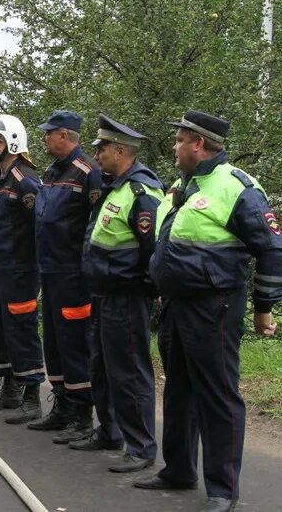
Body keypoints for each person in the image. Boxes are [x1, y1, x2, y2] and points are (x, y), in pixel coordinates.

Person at [134, 110, 282, 512]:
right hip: (176, 306)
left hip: (214, 306)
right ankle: (179, 469)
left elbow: (273, 250)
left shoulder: (238, 187)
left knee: (218, 396)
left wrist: (264, 308)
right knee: (179, 389)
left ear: (198, 144)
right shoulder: (182, 185)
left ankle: (222, 490)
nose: (174, 147)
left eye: (179, 140)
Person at [73, 114, 163, 474]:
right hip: (103, 293)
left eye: (102, 148)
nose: (96, 154)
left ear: (121, 150)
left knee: (130, 372)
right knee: (103, 368)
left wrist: (146, 289)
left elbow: (151, 250)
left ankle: (141, 447)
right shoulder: (115, 186)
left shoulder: (142, 192)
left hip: (127, 296)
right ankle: (110, 431)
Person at [29, 110, 102, 444]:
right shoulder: (50, 171)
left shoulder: (89, 172)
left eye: (48, 134)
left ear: (64, 135)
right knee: (55, 343)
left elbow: (96, 225)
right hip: (50, 270)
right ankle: (61, 406)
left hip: (74, 275)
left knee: (75, 344)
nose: (44, 139)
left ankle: (82, 414)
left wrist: (86, 269)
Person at [0, 114, 45, 424]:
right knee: (0, 330)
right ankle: (9, 387)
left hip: (20, 270)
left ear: (13, 142)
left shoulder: (25, 181)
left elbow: (39, 228)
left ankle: (31, 395)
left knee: (21, 330)